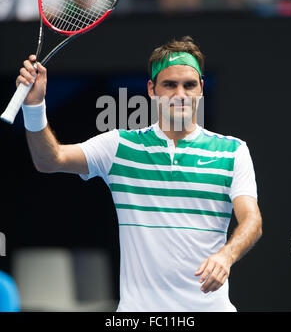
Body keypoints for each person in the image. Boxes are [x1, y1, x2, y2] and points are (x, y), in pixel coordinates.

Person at [17, 36, 262, 312]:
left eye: (189, 85)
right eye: (169, 84)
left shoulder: (233, 151)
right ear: (152, 89)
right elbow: (50, 160)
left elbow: (252, 220)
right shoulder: (119, 146)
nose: (180, 94)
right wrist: (34, 106)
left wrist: (226, 257)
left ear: (201, 89)